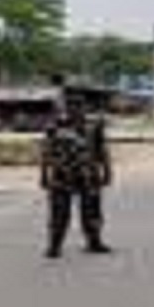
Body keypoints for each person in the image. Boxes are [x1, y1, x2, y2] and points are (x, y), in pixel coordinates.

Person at [40, 98, 113, 259]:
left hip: (88, 174)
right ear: (67, 108)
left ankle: (94, 241)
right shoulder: (55, 126)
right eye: (72, 106)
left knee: (92, 210)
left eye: (79, 106)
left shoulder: (94, 126)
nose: (75, 110)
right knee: (59, 212)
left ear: (84, 108)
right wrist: (44, 175)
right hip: (61, 174)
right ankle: (54, 245)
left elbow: (102, 150)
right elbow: (46, 151)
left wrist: (107, 171)